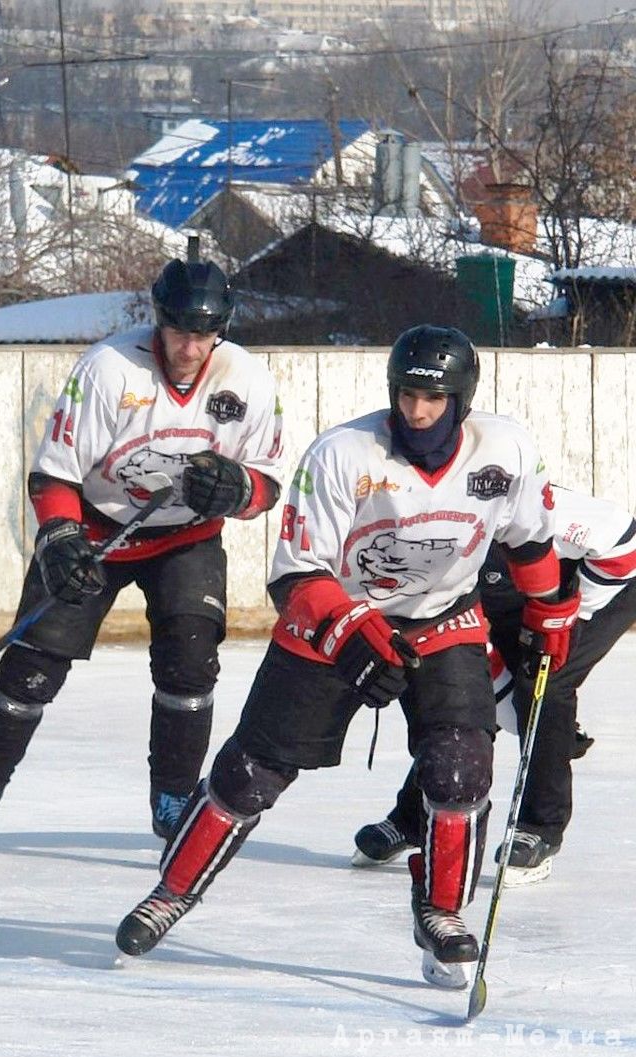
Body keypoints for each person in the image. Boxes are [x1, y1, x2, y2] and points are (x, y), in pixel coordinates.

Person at [112, 324, 580, 989]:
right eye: (407, 395)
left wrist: (548, 614)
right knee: (251, 774)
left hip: (442, 620)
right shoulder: (343, 453)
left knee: (461, 766)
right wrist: (356, 638)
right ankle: (172, 892)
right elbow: (295, 576)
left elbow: (531, 542)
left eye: (433, 399)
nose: (417, 412)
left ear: (462, 399)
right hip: (335, 619)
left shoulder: (503, 451)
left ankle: (442, 914)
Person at [0, 258, 284, 856]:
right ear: (159, 320)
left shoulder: (247, 381)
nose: (190, 347)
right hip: (98, 530)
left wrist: (239, 489)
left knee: (190, 663)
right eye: (179, 332)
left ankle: (173, 796)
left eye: (204, 334)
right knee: (32, 665)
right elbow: (53, 474)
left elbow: (270, 485)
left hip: (186, 540)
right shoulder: (108, 369)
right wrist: (61, 537)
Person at [352, 484, 636, 886]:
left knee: (544, 685)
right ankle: (416, 815)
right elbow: (479, 671)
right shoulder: (429, 553)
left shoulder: (533, 514)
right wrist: (524, 722)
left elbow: (622, 543)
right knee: (462, 692)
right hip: (519, 601)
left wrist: (568, 617)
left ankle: (541, 827)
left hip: (605, 581)